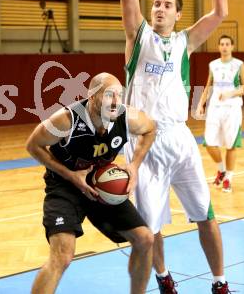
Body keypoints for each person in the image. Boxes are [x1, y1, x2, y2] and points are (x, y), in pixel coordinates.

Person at [117, 0, 231, 294]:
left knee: (205, 214)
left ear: (179, 14)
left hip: (180, 138)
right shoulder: (139, 36)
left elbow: (220, 14)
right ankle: (164, 277)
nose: (160, 8)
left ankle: (220, 282)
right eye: (157, 4)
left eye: (167, 5)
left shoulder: (186, 41)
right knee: (152, 226)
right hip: (144, 141)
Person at [26, 72, 156, 294]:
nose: (115, 101)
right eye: (108, 95)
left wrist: (134, 165)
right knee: (62, 256)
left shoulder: (127, 117)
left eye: (119, 95)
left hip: (100, 187)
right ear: (92, 96)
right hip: (64, 187)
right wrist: (70, 175)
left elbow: (150, 129)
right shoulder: (66, 119)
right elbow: (33, 145)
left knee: (144, 239)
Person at [196, 34, 244, 192]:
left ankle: (228, 179)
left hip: (232, 109)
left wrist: (230, 94)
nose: (225, 46)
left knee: (230, 144)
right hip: (214, 108)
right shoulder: (213, 64)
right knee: (209, 142)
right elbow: (208, 86)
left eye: (227, 44)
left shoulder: (239, 64)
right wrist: (201, 103)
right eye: (222, 44)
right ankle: (221, 169)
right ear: (219, 47)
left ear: (232, 47)